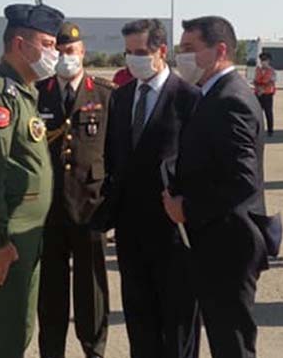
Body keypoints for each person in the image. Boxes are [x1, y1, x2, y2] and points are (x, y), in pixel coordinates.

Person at [0, 3, 63, 358]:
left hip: (22, 236)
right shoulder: (0, 94)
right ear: (20, 44)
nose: (54, 53)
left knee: (16, 330)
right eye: (47, 44)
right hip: (4, 239)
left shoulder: (23, 92)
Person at [163, 16, 268, 358]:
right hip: (212, 238)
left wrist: (187, 207)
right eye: (180, 48)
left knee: (231, 344)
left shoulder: (230, 99)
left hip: (229, 243)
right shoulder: (210, 94)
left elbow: (243, 178)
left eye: (190, 48)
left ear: (220, 50)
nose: (182, 56)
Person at [95, 18, 201, 358]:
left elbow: (200, 164)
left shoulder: (189, 98)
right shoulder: (121, 97)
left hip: (174, 232)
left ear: (162, 51)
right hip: (130, 232)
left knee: (178, 325)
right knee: (140, 323)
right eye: (128, 52)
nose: (133, 59)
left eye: (140, 52)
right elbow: (113, 158)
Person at [36, 22, 114, 358]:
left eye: (71, 51)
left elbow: (114, 153)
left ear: (83, 53)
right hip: (49, 208)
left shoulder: (105, 94)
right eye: (59, 51)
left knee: (91, 287)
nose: (65, 57)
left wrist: (112, 206)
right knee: (50, 289)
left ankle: (93, 349)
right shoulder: (38, 92)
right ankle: (51, 350)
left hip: (90, 206)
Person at [253, 53, 276, 136]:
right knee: (257, 113)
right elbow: (255, 81)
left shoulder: (272, 71)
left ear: (268, 61)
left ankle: (270, 130)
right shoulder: (258, 70)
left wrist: (262, 89)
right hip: (258, 94)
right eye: (262, 60)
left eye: (265, 60)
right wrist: (258, 88)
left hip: (267, 94)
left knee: (268, 113)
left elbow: (271, 82)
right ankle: (257, 130)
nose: (263, 62)